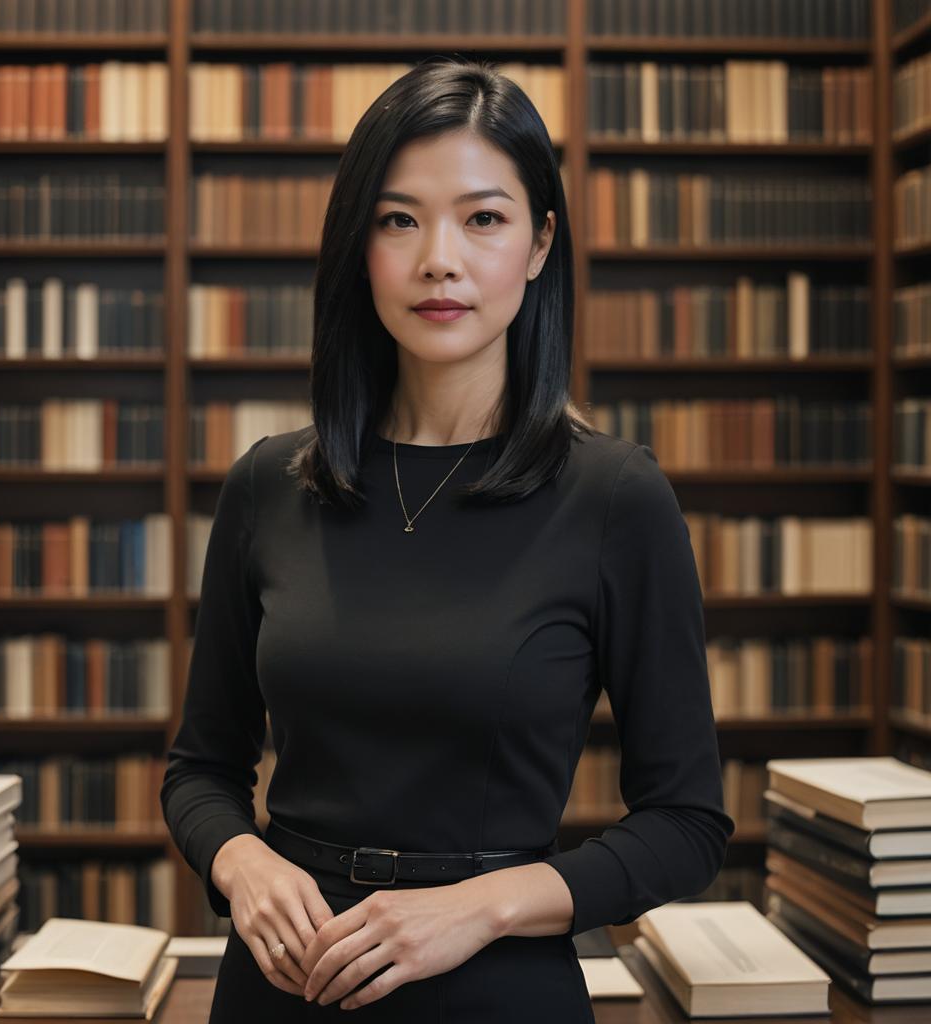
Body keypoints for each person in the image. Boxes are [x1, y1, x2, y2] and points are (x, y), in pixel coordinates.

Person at [160, 56, 735, 1022]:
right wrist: (241, 860)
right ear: (362, 246)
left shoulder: (615, 497)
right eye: (399, 219)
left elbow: (687, 823)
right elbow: (200, 769)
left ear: (540, 243)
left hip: (495, 981)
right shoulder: (269, 483)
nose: (439, 258)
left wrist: (483, 907)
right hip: (283, 985)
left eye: (484, 217)